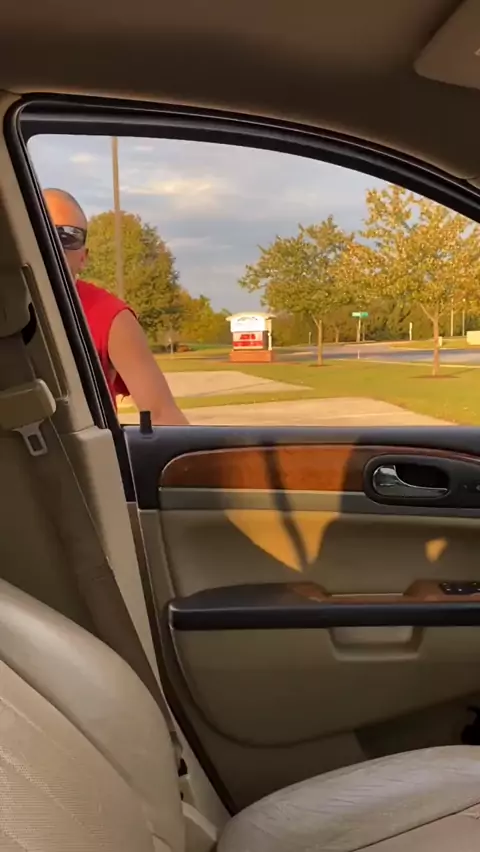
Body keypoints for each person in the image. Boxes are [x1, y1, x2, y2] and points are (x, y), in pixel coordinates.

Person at [43, 189, 188, 426]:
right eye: (38, 231)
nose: (52, 245)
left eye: (67, 236)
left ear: (83, 258)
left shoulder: (111, 317)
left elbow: (162, 414)